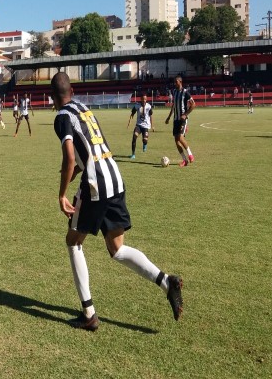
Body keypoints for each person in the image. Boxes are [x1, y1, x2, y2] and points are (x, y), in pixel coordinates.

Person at [51, 72, 183, 331]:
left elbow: (70, 157)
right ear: (73, 90)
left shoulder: (62, 116)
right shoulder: (84, 109)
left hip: (95, 185)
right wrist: (76, 169)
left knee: (73, 242)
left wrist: (62, 194)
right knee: (117, 249)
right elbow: (89, 151)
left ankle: (89, 314)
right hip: (114, 178)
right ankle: (167, 282)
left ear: (52, 96)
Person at [165, 75, 195, 167]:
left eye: (176, 82)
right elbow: (174, 106)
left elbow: (193, 104)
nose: (175, 83)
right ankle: (184, 160)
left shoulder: (185, 92)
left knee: (180, 137)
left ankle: (190, 155)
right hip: (175, 120)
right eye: (174, 82)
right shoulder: (174, 92)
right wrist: (169, 117)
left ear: (180, 82)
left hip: (183, 119)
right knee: (176, 141)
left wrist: (185, 114)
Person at [127, 95, 154, 159]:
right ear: (141, 99)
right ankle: (133, 154)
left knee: (145, 140)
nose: (144, 100)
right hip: (138, 125)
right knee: (134, 137)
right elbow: (132, 114)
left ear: (146, 99)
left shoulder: (149, 106)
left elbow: (151, 116)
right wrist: (129, 121)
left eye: (145, 99)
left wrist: (152, 126)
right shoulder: (137, 106)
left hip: (146, 126)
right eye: (142, 99)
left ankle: (144, 144)